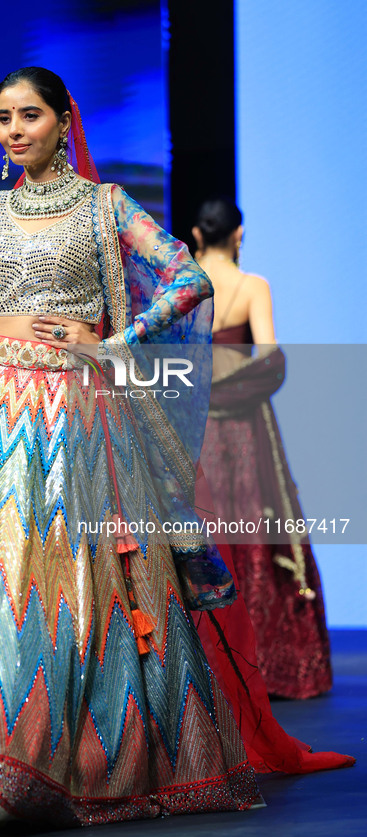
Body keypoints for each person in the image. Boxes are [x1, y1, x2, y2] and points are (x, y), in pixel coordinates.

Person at [0, 69, 350, 828]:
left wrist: (114, 341)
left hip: (68, 414)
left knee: (52, 589)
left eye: (28, 116)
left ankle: (43, 758)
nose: (13, 131)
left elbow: (186, 281)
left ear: (65, 120)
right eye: (1, 119)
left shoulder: (104, 206)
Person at [194, 198, 333, 699]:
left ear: (195, 234)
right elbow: (270, 357)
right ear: (239, 234)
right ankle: (271, 663)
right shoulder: (252, 286)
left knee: (207, 522)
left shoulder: (184, 285)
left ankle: (210, 664)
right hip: (247, 421)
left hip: (197, 418)